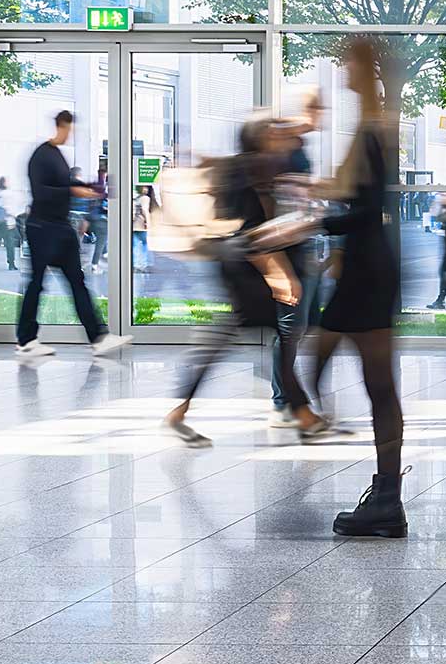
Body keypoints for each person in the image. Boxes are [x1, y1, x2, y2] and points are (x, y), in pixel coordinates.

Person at [162, 114, 327, 447]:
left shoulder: (262, 166)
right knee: (272, 337)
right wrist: (279, 274)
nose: (278, 137)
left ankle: (180, 412)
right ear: (256, 138)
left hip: (251, 265)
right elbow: (250, 231)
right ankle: (302, 415)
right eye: (271, 132)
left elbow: (268, 225)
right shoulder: (245, 170)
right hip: (244, 269)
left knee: (260, 337)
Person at [306, 38, 408, 537]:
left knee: (377, 385)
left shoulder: (376, 129)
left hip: (370, 272)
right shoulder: (371, 128)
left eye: (348, 60)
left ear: (365, 68)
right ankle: (385, 492)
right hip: (365, 268)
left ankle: (388, 497)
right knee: (332, 363)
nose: (342, 68)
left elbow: (366, 210)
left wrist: (322, 223)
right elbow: (357, 200)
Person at [15, 111, 129, 362]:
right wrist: (73, 190)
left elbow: (65, 184)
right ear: (61, 126)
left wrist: (89, 188)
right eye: (69, 129)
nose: (71, 135)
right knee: (36, 283)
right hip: (43, 229)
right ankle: (26, 340)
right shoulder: (41, 155)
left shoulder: (57, 155)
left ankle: (98, 337)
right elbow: (43, 192)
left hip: (60, 228)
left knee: (77, 282)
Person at [270, 88, 324, 425]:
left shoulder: (301, 143)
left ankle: (286, 398)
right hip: (284, 244)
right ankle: (282, 401)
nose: (323, 115)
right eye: (319, 107)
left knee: (298, 326)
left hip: (299, 239)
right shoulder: (285, 138)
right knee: (291, 327)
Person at [0, 176, 20, 270]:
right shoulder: (8, 194)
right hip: (7, 222)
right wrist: (13, 215)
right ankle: (11, 264)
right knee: (9, 244)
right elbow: (10, 209)